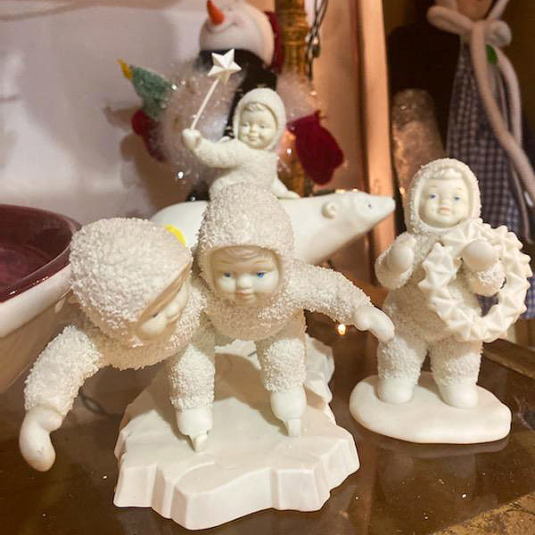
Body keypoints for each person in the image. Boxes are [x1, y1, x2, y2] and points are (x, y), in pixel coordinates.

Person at [167, 183, 394, 445]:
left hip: (275, 325)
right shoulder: (200, 288)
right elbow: (168, 310)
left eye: (259, 273)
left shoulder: (293, 282)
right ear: (207, 266)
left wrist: (359, 309)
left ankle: (287, 393)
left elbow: (330, 288)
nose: (244, 285)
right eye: (227, 274)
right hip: (214, 325)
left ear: (282, 262)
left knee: (285, 351)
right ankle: (192, 405)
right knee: (189, 350)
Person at [19, 218, 212, 470]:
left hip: (189, 344)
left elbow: (222, 286)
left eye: (176, 289)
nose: (175, 309)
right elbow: (62, 365)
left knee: (193, 366)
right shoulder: (100, 338)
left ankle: (194, 408)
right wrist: (42, 417)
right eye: (154, 313)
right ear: (113, 316)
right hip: (129, 372)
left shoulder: (193, 297)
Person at [375, 159, 507, 409]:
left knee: (460, 364)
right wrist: (397, 262)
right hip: (407, 319)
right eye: (433, 195)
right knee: (398, 360)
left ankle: (457, 381)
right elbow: (388, 279)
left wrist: (482, 262)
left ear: (472, 205)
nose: (445, 204)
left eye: (456, 198)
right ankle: (397, 375)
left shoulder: (472, 242)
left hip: (455, 325)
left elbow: (488, 286)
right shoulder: (409, 240)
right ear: (415, 202)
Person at [182, 88, 299, 199]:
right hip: (228, 195)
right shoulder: (239, 148)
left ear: (277, 130)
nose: (253, 130)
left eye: (262, 126)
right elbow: (217, 155)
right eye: (246, 124)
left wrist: (283, 193)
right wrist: (198, 144)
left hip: (252, 198)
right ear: (237, 124)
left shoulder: (270, 155)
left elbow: (270, 180)